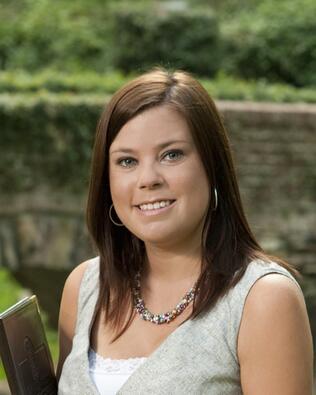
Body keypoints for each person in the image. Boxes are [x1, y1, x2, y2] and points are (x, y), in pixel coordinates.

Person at [57, 68, 314, 394]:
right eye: (126, 161)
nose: (147, 178)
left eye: (171, 155)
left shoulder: (263, 300)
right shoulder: (85, 288)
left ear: (212, 165)